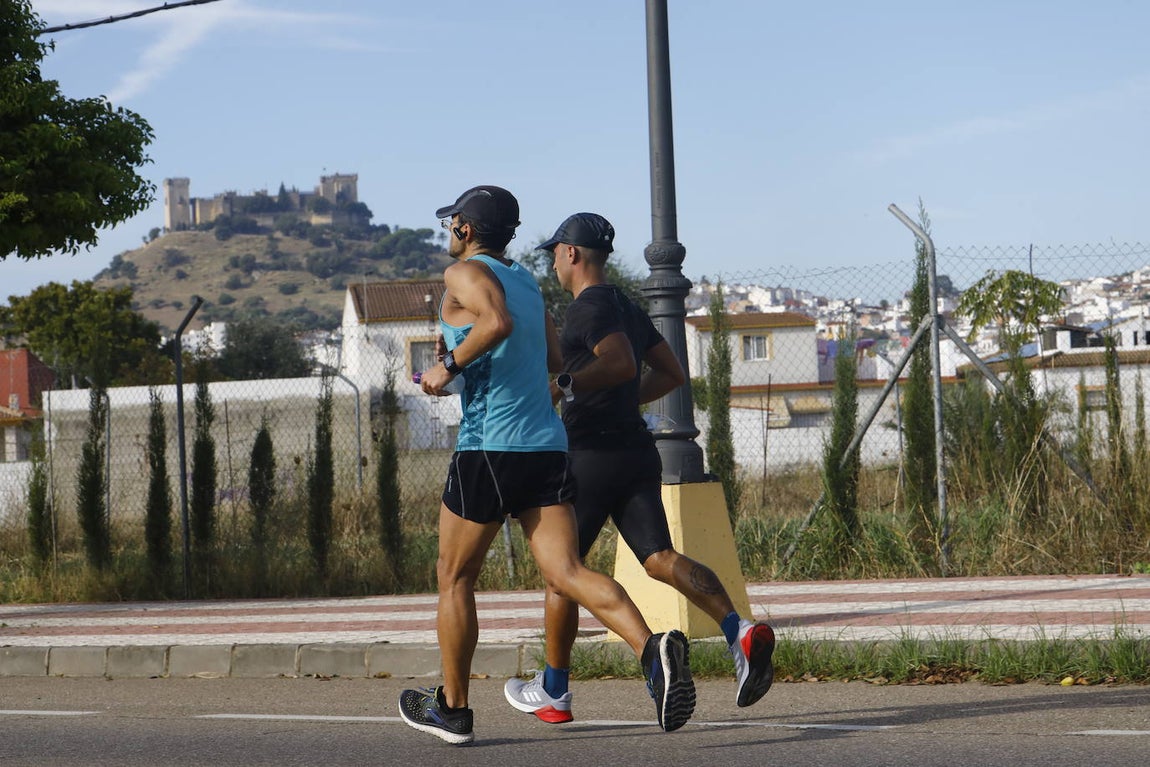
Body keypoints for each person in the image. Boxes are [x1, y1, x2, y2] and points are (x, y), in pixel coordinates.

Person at [397, 188, 696, 745]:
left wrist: (447, 366)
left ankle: (454, 710)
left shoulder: (461, 275)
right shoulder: (529, 283)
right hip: (546, 444)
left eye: (452, 223)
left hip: (489, 446)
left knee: (455, 577)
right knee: (566, 573)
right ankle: (652, 651)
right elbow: (555, 361)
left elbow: (497, 325)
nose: (449, 231)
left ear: (465, 228)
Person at [504, 212, 776, 725]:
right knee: (659, 557)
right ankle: (738, 631)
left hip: (590, 457)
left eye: (555, 254)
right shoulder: (626, 305)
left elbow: (622, 364)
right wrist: (624, 403)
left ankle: (557, 691)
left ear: (571, 253)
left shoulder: (587, 309)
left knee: (561, 574)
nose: (554, 265)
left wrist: (566, 385)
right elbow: (669, 373)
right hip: (635, 452)